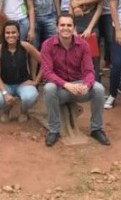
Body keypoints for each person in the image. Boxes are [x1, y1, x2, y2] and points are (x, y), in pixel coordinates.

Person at [40, 13, 110, 147]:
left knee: (99, 89)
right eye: (62, 25)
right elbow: (47, 73)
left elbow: (89, 71)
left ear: (73, 28)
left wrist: (86, 85)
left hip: (79, 89)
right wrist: (66, 85)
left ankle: (96, 129)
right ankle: (54, 130)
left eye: (69, 25)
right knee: (49, 88)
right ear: (56, 28)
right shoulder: (47, 45)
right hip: (60, 89)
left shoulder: (83, 45)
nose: (65, 28)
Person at [0, 20, 42, 122]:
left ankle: (24, 111)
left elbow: (46, 62)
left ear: (18, 33)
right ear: (3, 34)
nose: (10, 35)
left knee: (30, 96)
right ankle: (6, 110)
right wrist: (5, 93)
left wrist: (36, 81)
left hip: (23, 83)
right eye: (7, 33)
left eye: (13, 32)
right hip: (5, 84)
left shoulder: (25, 46)